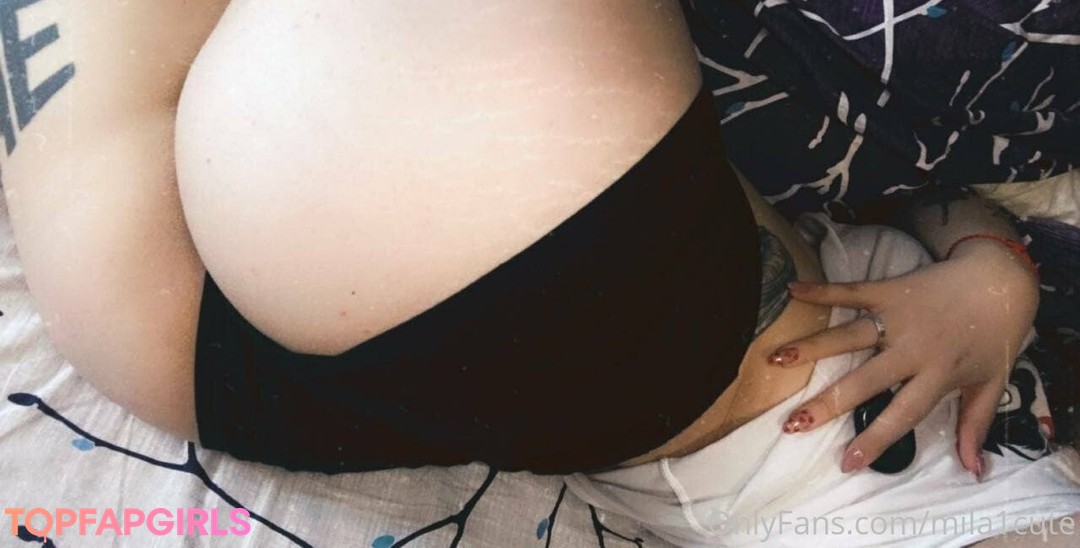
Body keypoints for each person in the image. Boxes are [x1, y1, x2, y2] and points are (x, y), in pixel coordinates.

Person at [0, 0, 1075, 544]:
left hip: (565, 279)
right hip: (324, 366)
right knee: (83, 120)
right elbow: (914, 207)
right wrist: (992, 269)